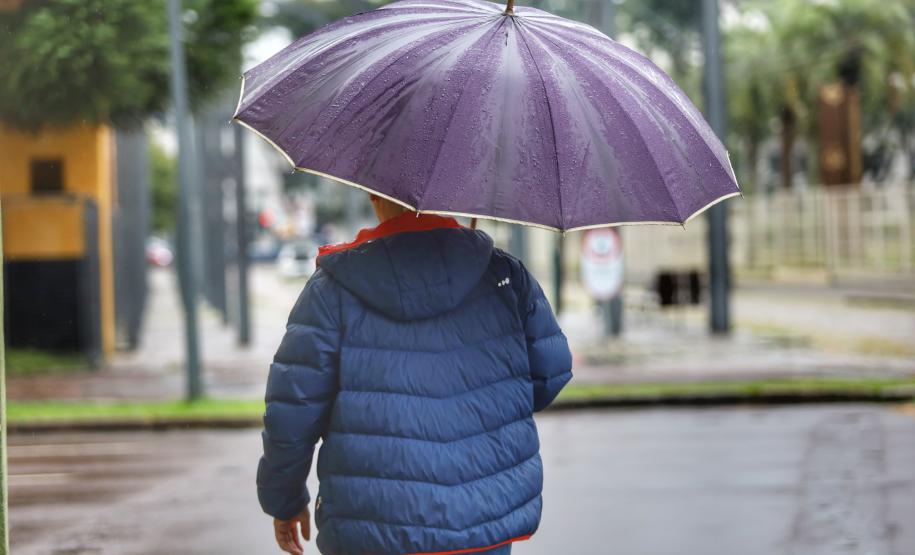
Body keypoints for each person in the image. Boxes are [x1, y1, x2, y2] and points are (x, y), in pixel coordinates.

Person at [258, 194, 573, 555]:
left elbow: (292, 412)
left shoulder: (332, 290)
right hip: (484, 521)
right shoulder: (504, 276)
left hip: (372, 525)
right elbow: (551, 373)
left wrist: (284, 499)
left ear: (375, 197)